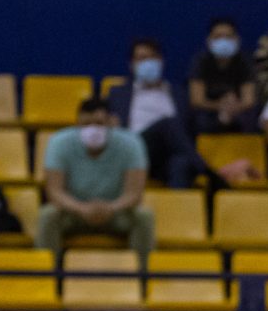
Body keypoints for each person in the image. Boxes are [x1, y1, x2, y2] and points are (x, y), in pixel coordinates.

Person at [35, 99, 156, 261]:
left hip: (116, 212)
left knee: (144, 216)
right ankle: (45, 272)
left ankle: (143, 272)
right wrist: (82, 209)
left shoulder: (131, 143)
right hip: (74, 212)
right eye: (86, 124)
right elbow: (54, 191)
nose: (92, 129)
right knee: (48, 215)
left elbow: (134, 194)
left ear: (111, 123)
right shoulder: (59, 142)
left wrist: (110, 208)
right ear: (77, 123)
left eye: (99, 123)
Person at [105, 39, 208, 190]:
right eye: (142, 58)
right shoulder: (117, 94)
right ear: (132, 65)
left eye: (152, 57)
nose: (148, 62)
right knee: (168, 124)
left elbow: (193, 127)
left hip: (167, 156)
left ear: (161, 61)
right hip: (134, 150)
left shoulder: (179, 94)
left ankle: (177, 204)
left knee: (181, 164)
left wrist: (223, 118)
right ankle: (206, 171)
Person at [190, 17, 260, 134]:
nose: (223, 41)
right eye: (218, 37)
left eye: (228, 36)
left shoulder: (245, 61)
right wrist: (220, 106)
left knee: (252, 118)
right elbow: (197, 100)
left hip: (238, 109)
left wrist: (232, 108)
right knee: (200, 119)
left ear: (237, 40)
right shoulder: (200, 61)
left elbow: (249, 99)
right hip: (211, 109)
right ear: (209, 40)